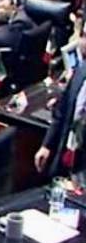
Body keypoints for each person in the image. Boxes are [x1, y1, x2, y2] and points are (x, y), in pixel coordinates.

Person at [35, 34, 86, 176]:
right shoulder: (81, 70)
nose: (82, 42)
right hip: (66, 155)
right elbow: (61, 112)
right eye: (83, 36)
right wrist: (47, 145)